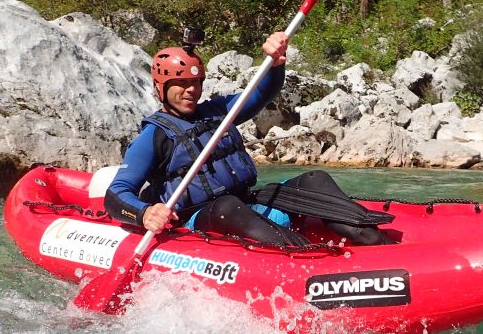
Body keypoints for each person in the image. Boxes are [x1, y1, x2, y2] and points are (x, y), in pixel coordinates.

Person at [105, 30, 392, 247]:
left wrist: (275, 63)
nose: (190, 90)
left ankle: (373, 239)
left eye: (195, 83)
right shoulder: (153, 135)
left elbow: (260, 93)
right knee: (227, 207)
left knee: (314, 179)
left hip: (248, 204)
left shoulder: (217, 112)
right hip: (200, 219)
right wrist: (144, 214)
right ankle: (304, 257)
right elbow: (116, 193)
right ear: (160, 88)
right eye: (180, 84)